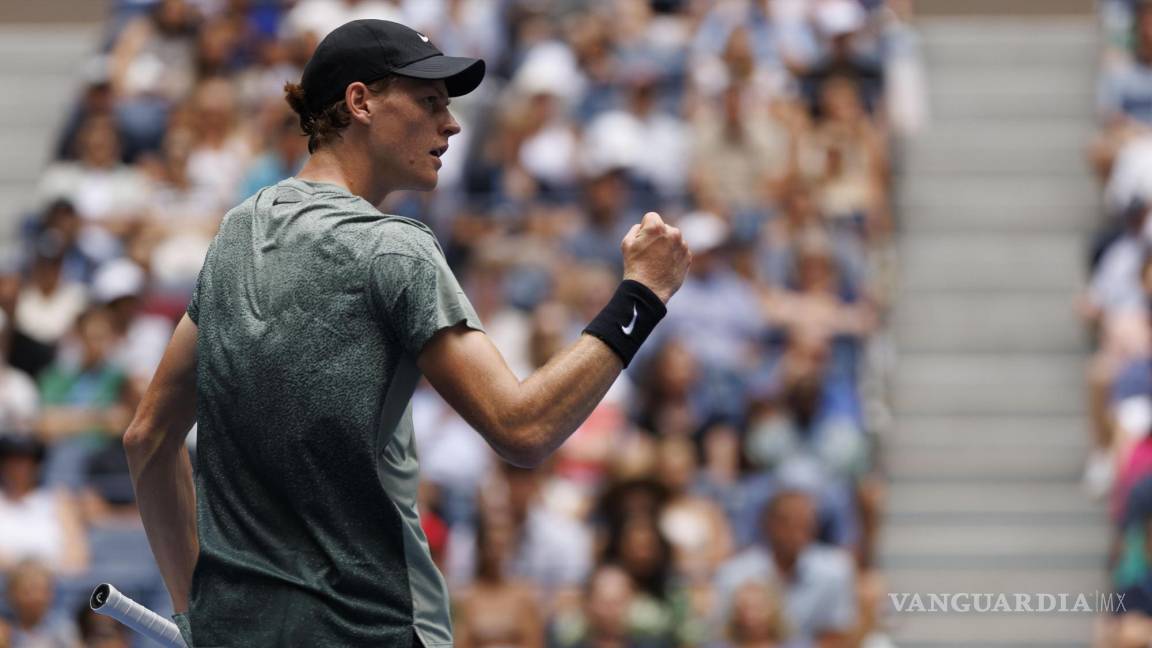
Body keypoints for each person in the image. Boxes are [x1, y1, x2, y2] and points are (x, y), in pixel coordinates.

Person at [123, 19, 691, 648]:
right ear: (361, 102)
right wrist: (643, 294)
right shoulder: (395, 250)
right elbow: (524, 428)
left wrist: (195, 612)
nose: (451, 124)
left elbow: (148, 440)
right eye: (430, 102)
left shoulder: (235, 235)